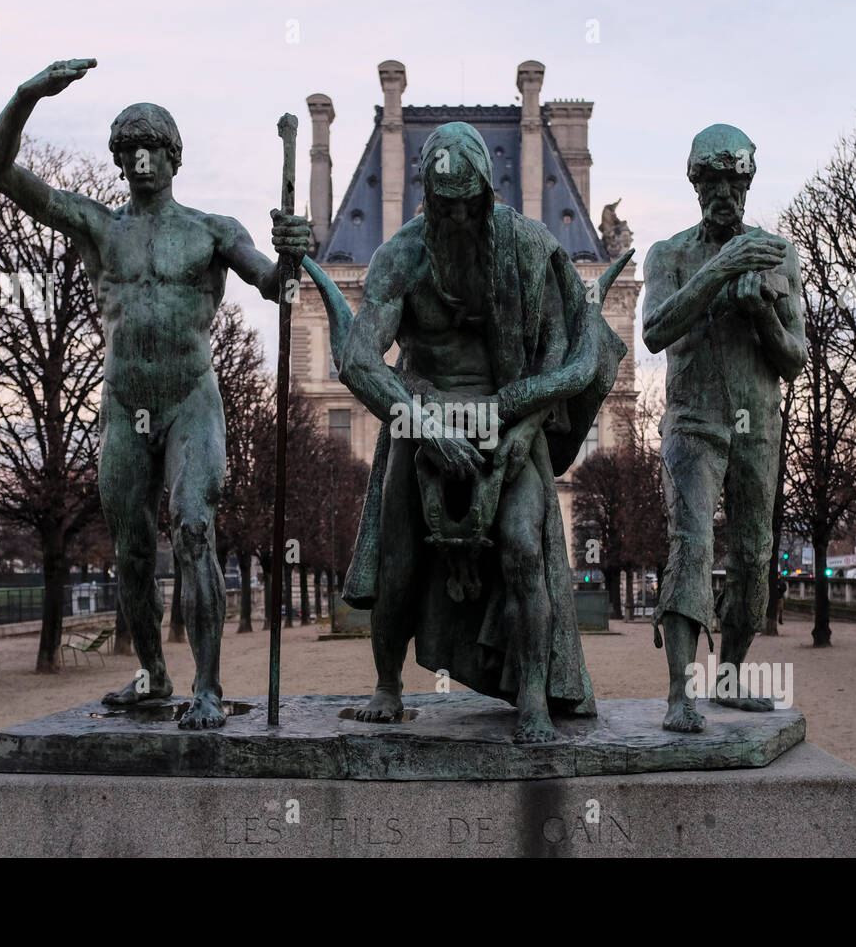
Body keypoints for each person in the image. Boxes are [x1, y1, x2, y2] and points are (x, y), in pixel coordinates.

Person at [0, 59, 310, 729]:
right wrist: (27, 94)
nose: (139, 164)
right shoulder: (99, 227)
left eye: (150, 151)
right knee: (132, 546)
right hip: (124, 407)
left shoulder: (212, 231)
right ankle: (154, 676)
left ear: (173, 156)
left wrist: (294, 251)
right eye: (127, 153)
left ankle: (208, 687)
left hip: (192, 400)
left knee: (192, 526)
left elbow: (277, 287)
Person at [305, 122, 628, 743]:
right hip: (419, 414)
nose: (453, 215)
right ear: (427, 195)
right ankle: (387, 685)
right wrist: (422, 427)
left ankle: (532, 692)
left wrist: (520, 424)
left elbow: (573, 365)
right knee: (398, 559)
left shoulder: (527, 246)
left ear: (484, 192)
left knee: (523, 550)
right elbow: (356, 358)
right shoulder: (402, 256)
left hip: (506, 421)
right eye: (442, 203)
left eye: (465, 202)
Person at [641, 124, 807, 733]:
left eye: (735, 181)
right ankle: (681, 694)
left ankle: (731, 675)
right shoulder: (670, 254)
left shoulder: (779, 253)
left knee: (755, 556)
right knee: (692, 543)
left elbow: (794, 358)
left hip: (757, 425)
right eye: (712, 180)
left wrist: (761, 308)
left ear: (748, 183)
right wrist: (719, 274)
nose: (724, 193)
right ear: (695, 183)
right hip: (693, 422)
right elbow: (656, 330)